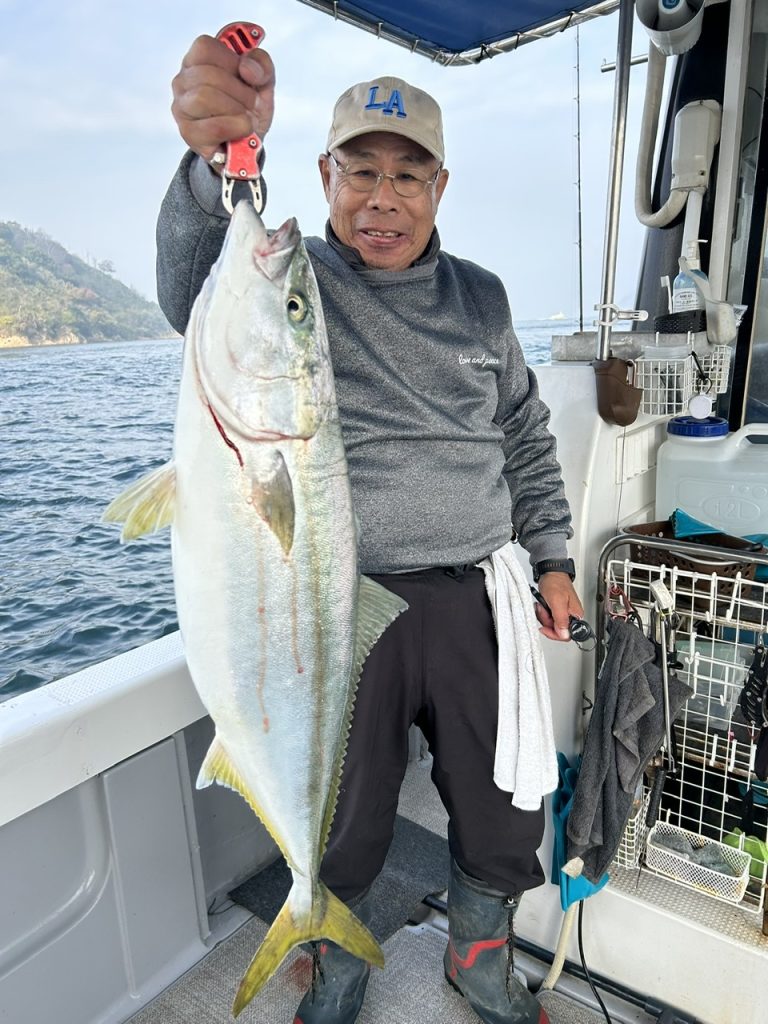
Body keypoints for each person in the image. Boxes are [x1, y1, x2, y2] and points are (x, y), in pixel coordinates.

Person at [159, 32, 585, 1024]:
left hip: (476, 592)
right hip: (340, 601)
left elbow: (525, 434)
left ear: (440, 187)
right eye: (360, 172)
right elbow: (191, 286)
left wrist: (554, 559)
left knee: (503, 805)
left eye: (406, 176)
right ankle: (335, 962)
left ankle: (478, 960)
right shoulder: (292, 278)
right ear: (325, 176)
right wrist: (213, 165)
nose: (381, 200)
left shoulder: (481, 298)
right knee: (346, 814)